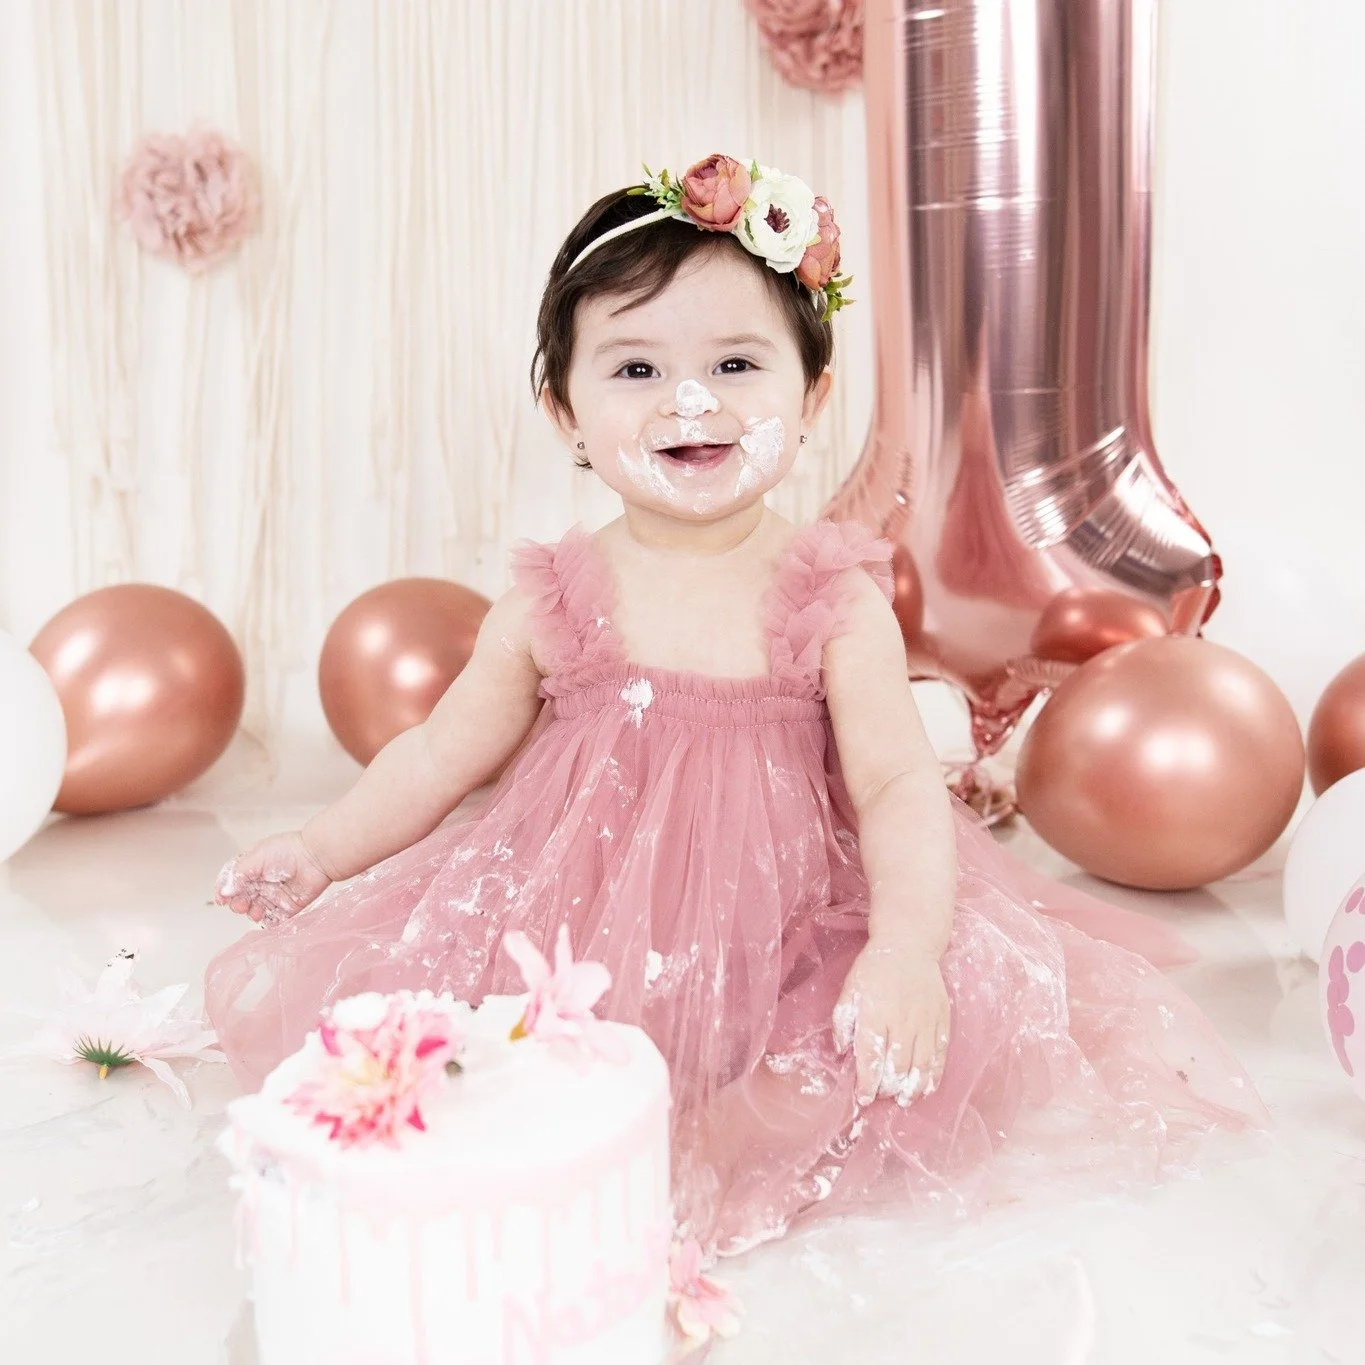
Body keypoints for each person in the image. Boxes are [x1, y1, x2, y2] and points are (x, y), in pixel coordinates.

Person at [207, 154, 1265, 1259]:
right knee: (476, 1036)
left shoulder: (831, 601)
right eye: (636, 368)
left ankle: (708, 1145)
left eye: (734, 363)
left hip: (785, 917)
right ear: (566, 415)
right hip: (583, 920)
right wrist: (322, 850)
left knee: (857, 1037)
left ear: (810, 400)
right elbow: (437, 757)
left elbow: (897, 786)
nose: (690, 400)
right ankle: (576, 1121)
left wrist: (903, 951)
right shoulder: (553, 601)